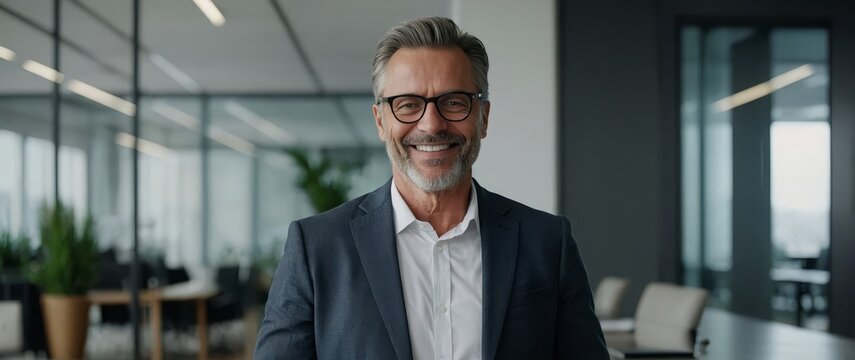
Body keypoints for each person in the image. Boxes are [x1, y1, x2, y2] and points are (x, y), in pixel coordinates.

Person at [255, 17, 608, 360]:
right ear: (381, 121)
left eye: (453, 102)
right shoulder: (316, 247)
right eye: (407, 104)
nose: (431, 124)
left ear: (483, 117)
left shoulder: (547, 242)